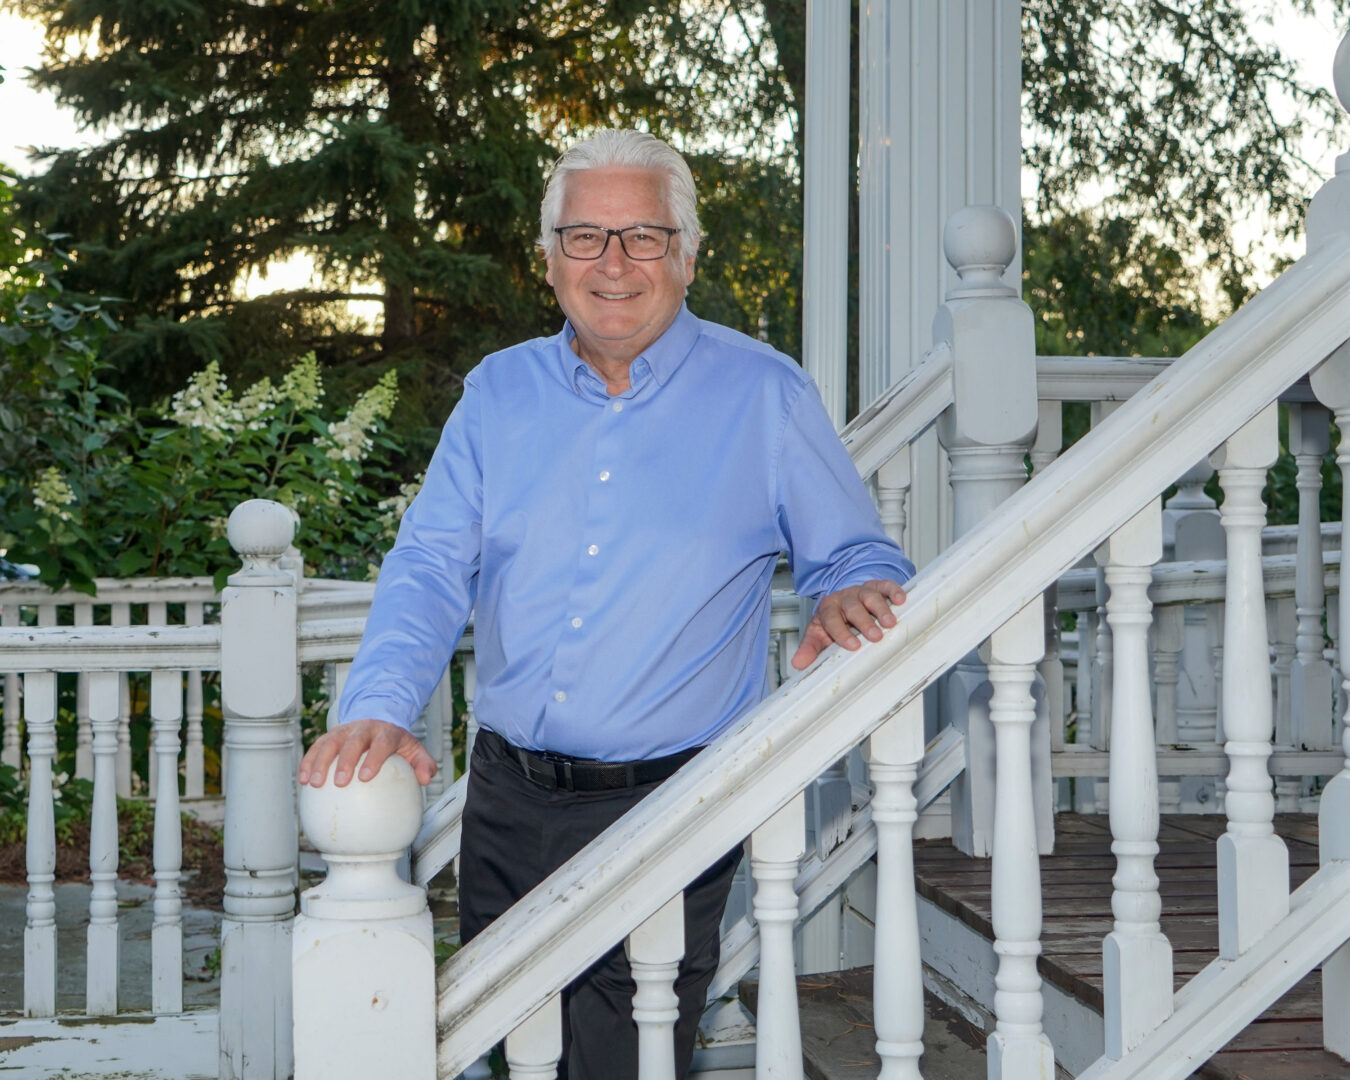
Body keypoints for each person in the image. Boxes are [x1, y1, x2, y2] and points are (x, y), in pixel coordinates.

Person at [298, 128, 915, 1079]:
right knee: (508, 1049)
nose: (614, 263)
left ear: (688, 255)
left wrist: (847, 589)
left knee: (623, 1062)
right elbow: (428, 564)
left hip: (664, 813)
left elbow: (854, 551)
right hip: (503, 801)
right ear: (548, 262)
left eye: (644, 237)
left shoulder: (764, 396)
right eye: (585, 237)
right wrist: (378, 702)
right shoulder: (497, 394)